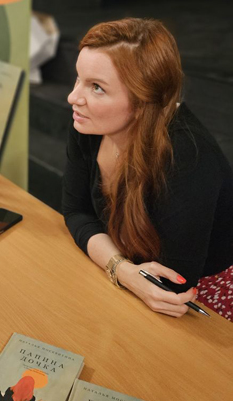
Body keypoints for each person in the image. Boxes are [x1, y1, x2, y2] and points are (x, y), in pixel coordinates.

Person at [62, 18, 233, 319]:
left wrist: (122, 269)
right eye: (78, 79)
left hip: (201, 304)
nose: (73, 97)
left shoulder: (188, 157)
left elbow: (170, 287)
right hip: (133, 287)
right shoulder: (88, 123)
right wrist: (121, 269)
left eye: (97, 87)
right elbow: (76, 212)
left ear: (143, 103)